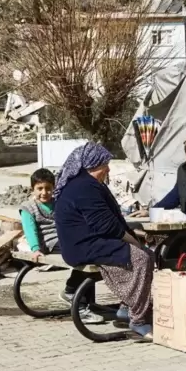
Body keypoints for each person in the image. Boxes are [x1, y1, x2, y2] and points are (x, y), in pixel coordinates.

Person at [53, 142, 155, 340]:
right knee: (141, 258)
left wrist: (134, 235)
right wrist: (134, 242)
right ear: (91, 165)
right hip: (82, 246)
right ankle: (139, 320)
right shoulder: (84, 187)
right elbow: (108, 226)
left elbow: (113, 221)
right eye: (104, 164)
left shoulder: (88, 184)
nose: (108, 169)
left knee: (148, 254)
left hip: (90, 241)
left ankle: (129, 307)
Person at [19, 168, 105, 324]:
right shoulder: (28, 208)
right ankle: (73, 295)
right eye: (40, 189)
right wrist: (35, 248)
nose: (44, 192)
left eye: (48, 188)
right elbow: (29, 229)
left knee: (94, 252)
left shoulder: (59, 202)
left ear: (53, 188)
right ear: (33, 189)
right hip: (50, 243)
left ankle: (81, 298)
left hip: (66, 238)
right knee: (85, 253)